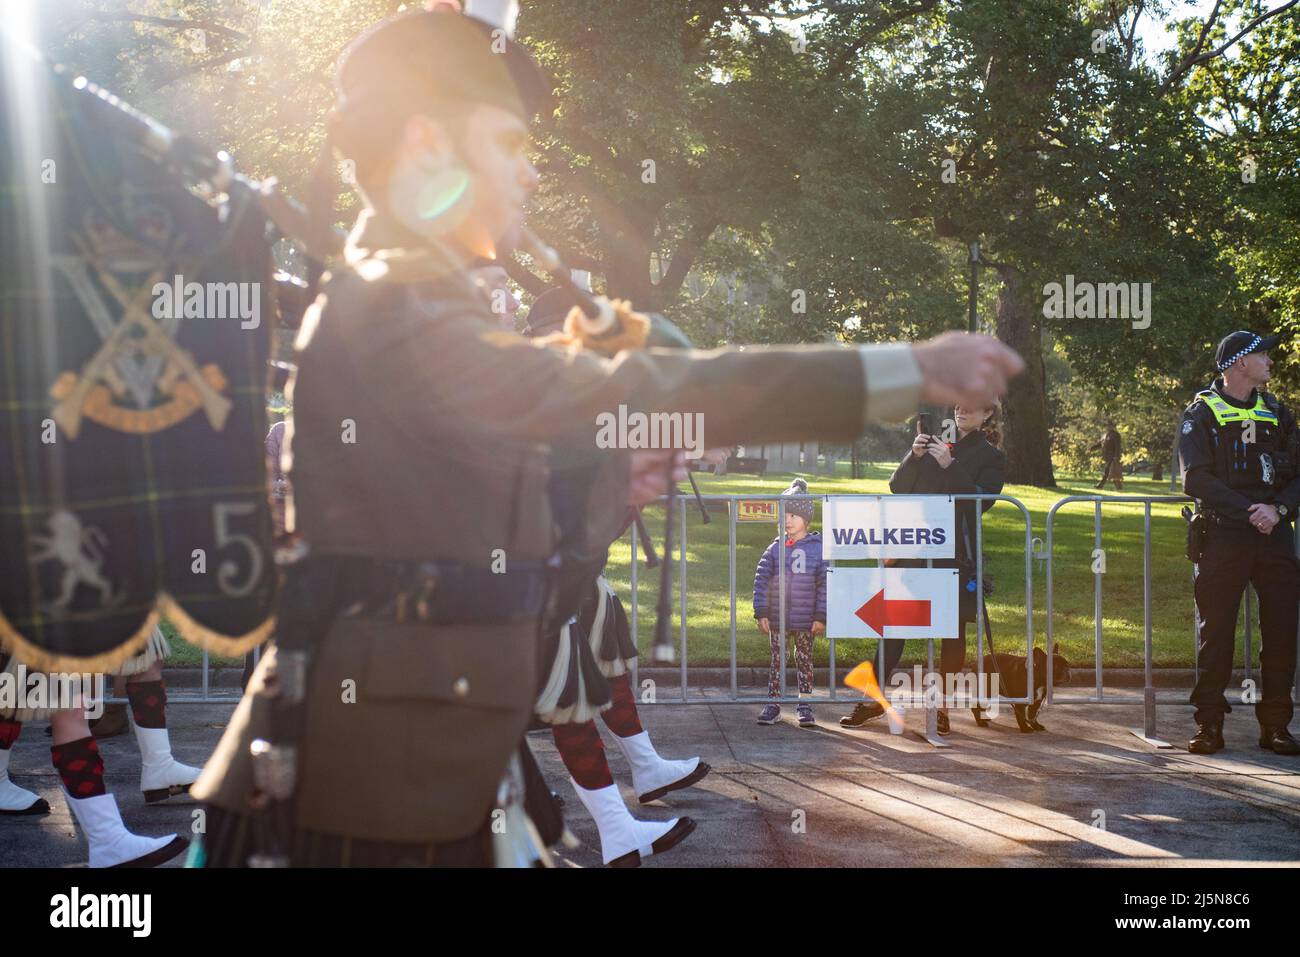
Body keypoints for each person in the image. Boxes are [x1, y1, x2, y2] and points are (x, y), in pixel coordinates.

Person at [188, 6, 1022, 867]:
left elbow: (498, 577)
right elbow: (634, 387)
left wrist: (609, 495)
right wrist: (897, 370)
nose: (533, 172)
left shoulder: (418, 304)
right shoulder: (397, 310)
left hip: (436, 763)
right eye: (510, 143)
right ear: (431, 145)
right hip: (371, 788)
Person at [840, 403, 1006, 734]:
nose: (963, 410)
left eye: (972, 406)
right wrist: (913, 457)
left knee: (952, 631)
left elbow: (981, 501)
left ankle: (941, 707)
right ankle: (873, 699)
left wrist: (951, 466)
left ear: (987, 414)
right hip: (913, 547)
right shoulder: (936, 441)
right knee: (893, 626)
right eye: (960, 404)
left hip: (955, 554)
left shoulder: (991, 456)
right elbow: (898, 487)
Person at [1179, 331, 1300, 756]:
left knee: (1282, 632)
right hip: (1225, 535)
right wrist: (1251, 509)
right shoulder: (1202, 413)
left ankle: (1276, 726)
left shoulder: (1278, 412)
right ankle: (1209, 724)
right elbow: (1195, 478)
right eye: (1262, 354)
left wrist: (1278, 510)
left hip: (1276, 536)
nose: (1270, 360)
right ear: (1239, 363)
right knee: (1217, 635)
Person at [753, 479, 826, 728]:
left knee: (804, 661)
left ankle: (804, 704)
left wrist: (821, 615)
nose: (788, 520)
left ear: (806, 519)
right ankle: (773, 703)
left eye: (794, 515)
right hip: (778, 618)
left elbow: (824, 584)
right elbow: (761, 579)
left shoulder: (818, 548)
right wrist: (761, 611)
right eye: (785, 515)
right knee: (777, 660)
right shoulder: (775, 549)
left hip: (806, 620)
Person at [1093, 420, 1124, 490]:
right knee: (1113, 473)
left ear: (1113, 426)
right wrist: (1093, 448)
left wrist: (1116, 457)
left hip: (1112, 457)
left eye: (1110, 426)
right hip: (1107, 456)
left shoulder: (1116, 435)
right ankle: (1119, 487)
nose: (1108, 427)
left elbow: (1117, 446)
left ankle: (1100, 485)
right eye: (1107, 426)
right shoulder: (1105, 435)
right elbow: (1100, 444)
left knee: (1107, 471)